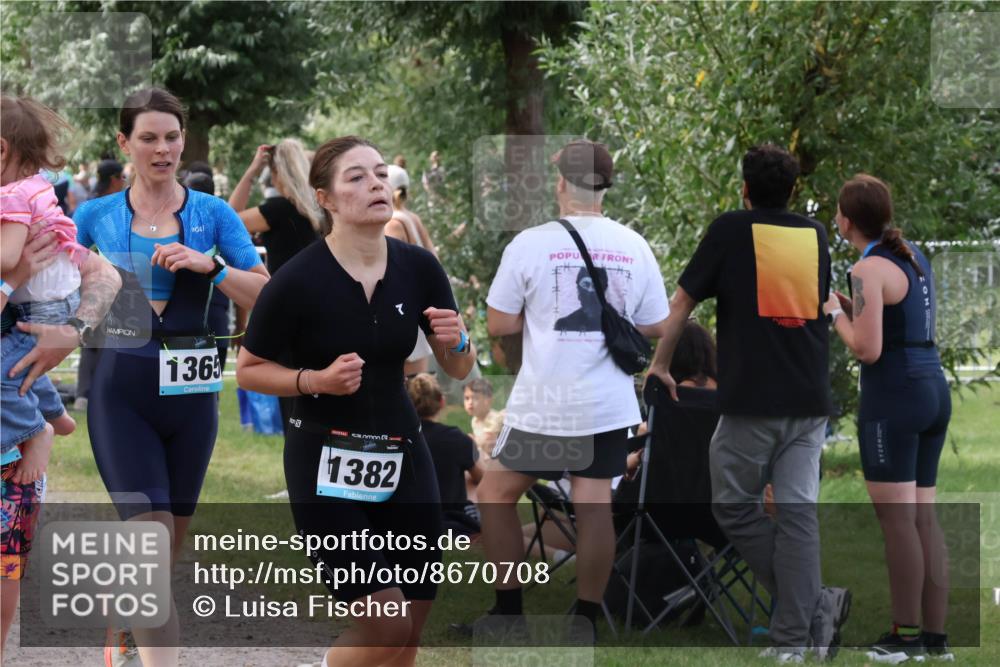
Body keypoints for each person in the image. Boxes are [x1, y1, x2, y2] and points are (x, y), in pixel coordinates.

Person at [237, 135, 475, 667]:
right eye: (357, 177)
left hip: (404, 456)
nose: (376, 184)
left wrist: (458, 340)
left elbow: (458, 365)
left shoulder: (420, 268)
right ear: (325, 197)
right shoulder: (297, 279)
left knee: (409, 631)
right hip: (325, 463)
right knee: (386, 627)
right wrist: (313, 381)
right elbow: (249, 371)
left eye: (381, 172)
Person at [73, 87, 268, 666]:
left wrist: (215, 265)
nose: (163, 149)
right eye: (149, 138)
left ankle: (123, 622)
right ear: (124, 143)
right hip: (121, 392)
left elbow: (266, 292)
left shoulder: (213, 213)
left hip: (191, 400)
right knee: (148, 547)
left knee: (162, 552)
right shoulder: (94, 215)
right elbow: (55, 287)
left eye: (173, 137)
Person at [647, 144, 850, 662]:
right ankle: (796, 635)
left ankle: (806, 615)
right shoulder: (814, 235)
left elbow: (682, 303)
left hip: (753, 399)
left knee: (732, 507)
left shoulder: (731, 229)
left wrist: (660, 365)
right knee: (798, 516)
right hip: (808, 398)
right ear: (792, 190)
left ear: (743, 187)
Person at [479, 139, 670, 638]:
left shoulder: (531, 242)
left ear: (560, 182)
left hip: (547, 402)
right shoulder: (634, 244)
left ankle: (507, 612)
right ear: (605, 188)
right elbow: (655, 324)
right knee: (593, 507)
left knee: (495, 495)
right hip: (607, 403)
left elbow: (499, 323)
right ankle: (583, 619)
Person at [824, 174, 952, 662]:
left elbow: (867, 348)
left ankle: (904, 636)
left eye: (838, 212)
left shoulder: (867, 267)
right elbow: (896, 319)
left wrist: (833, 315)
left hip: (894, 399)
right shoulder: (911, 253)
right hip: (932, 390)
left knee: (896, 522)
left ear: (848, 220)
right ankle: (935, 640)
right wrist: (850, 306)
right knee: (923, 517)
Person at [2, 226, 122, 660]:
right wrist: (8, 281)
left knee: (3, 581)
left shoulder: (18, 214)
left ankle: (44, 425)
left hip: (9, 450)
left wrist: (73, 329)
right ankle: (46, 422)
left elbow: (105, 275)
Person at [1, 94, 87, 492]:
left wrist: (73, 329)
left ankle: (37, 430)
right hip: (47, 302)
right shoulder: (33, 187)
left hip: (41, 306)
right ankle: (54, 415)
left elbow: (8, 257)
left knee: (8, 367)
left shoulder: (12, 195)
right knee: (19, 365)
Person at [229, 139, 325, 275]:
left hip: (287, 288)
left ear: (277, 173)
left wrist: (252, 171)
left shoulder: (278, 209)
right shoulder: (313, 206)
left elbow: (228, 218)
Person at [407, 373, 483, 536]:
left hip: (410, 517)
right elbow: (481, 479)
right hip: (452, 516)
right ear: (442, 401)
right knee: (473, 476)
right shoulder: (456, 438)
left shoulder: (400, 438)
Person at [385, 164, 438, 376]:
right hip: (421, 306)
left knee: (411, 389)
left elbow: (392, 273)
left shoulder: (392, 223)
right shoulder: (412, 217)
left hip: (405, 312)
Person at [463, 378, 503, 462]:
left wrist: (473, 441)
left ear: (488, 400)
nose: (470, 402)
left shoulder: (495, 419)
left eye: (475, 398)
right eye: (467, 398)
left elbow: (488, 441)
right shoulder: (474, 420)